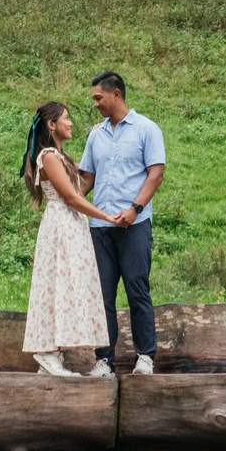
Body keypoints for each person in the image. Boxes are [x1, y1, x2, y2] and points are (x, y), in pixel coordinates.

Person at [76, 71, 165, 377]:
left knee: (137, 287)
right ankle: (104, 360)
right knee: (102, 296)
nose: (96, 104)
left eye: (98, 98)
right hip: (100, 227)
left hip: (134, 225)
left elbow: (155, 174)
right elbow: (87, 178)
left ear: (116, 94)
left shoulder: (147, 129)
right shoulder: (95, 135)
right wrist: (66, 198)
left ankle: (145, 357)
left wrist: (135, 208)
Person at [20, 101, 119, 376]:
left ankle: (52, 353)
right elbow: (71, 197)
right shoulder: (49, 156)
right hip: (61, 225)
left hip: (71, 225)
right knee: (56, 283)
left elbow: (83, 185)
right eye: (66, 118)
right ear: (52, 125)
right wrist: (106, 216)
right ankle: (47, 351)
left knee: (65, 285)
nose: (70, 122)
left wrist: (96, 140)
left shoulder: (62, 158)